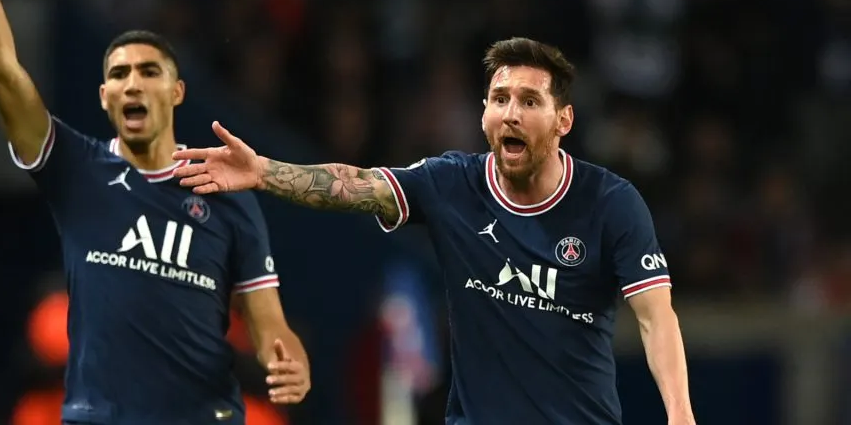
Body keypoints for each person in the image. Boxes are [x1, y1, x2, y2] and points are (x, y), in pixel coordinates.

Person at [0, 0, 310, 424]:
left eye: (148, 71)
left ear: (177, 92)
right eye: (118, 75)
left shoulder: (225, 191)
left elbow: (269, 328)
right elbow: (0, 68)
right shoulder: (75, 167)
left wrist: (287, 361)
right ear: (103, 97)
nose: (131, 83)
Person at [173, 37, 696, 425]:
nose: (511, 114)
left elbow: (656, 320)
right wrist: (264, 171)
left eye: (530, 102)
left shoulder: (611, 204)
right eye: (500, 98)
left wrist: (680, 415)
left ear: (564, 120)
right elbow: (355, 184)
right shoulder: (451, 184)